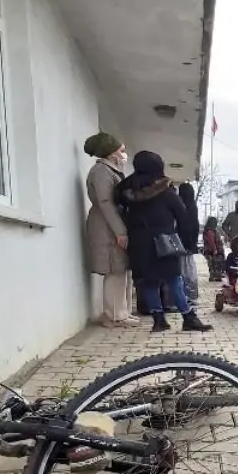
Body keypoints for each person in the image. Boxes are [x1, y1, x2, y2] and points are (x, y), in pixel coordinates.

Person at [115, 151, 213, 333]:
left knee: (150, 283)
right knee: (174, 281)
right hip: (164, 241)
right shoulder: (165, 191)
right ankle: (188, 318)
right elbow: (183, 217)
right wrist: (184, 240)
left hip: (139, 243)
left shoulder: (126, 191)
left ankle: (158, 320)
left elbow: (120, 210)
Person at [82, 132, 138, 328]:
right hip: (107, 226)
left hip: (111, 223)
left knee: (120, 269)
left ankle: (121, 312)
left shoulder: (110, 170)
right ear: (110, 151)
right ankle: (113, 314)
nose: (124, 154)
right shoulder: (101, 172)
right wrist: (120, 231)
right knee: (114, 269)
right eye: (121, 150)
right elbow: (106, 202)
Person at [177, 181, 201, 304]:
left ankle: (183, 296)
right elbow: (194, 226)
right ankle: (190, 296)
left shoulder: (180, 206)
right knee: (189, 270)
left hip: (179, 242)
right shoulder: (192, 206)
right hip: (189, 244)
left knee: (181, 270)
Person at [202, 216, 225, 281]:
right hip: (213, 251)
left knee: (213, 264)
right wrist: (214, 249)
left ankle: (214, 276)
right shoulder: (210, 231)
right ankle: (216, 277)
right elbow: (211, 241)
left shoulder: (209, 230)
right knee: (215, 264)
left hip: (211, 251)